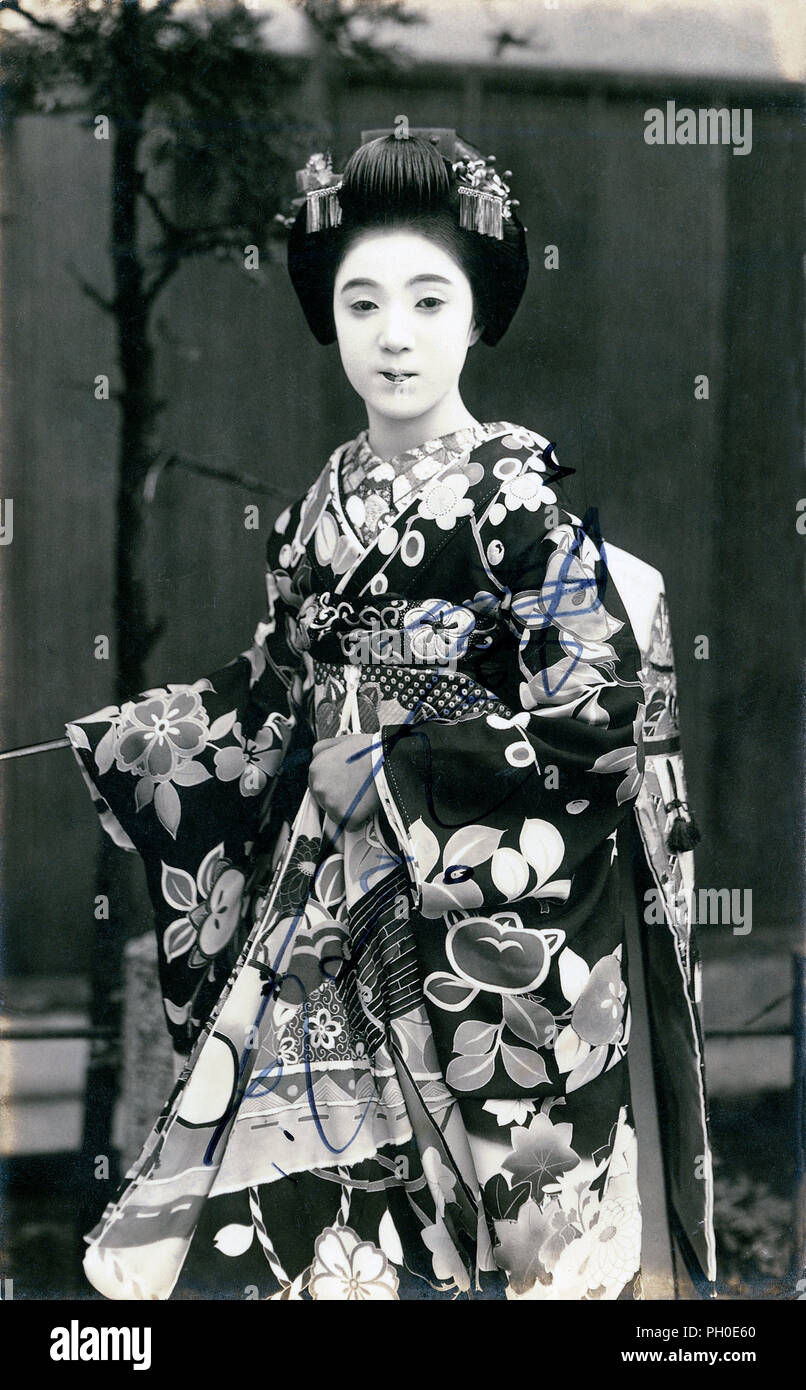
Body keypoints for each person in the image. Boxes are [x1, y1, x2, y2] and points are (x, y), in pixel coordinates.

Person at [66, 125, 715, 1301]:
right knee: (304, 1208)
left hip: (468, 904)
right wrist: (155, 741)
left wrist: (405, 762)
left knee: (499, 1220)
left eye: (428, 298)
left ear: (475, 318)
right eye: (362, 302)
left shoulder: (518, 497)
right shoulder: (319, 510)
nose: (394, 332)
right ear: (332, 320)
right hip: (323, 908)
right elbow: (278, 687)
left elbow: (598, 705)